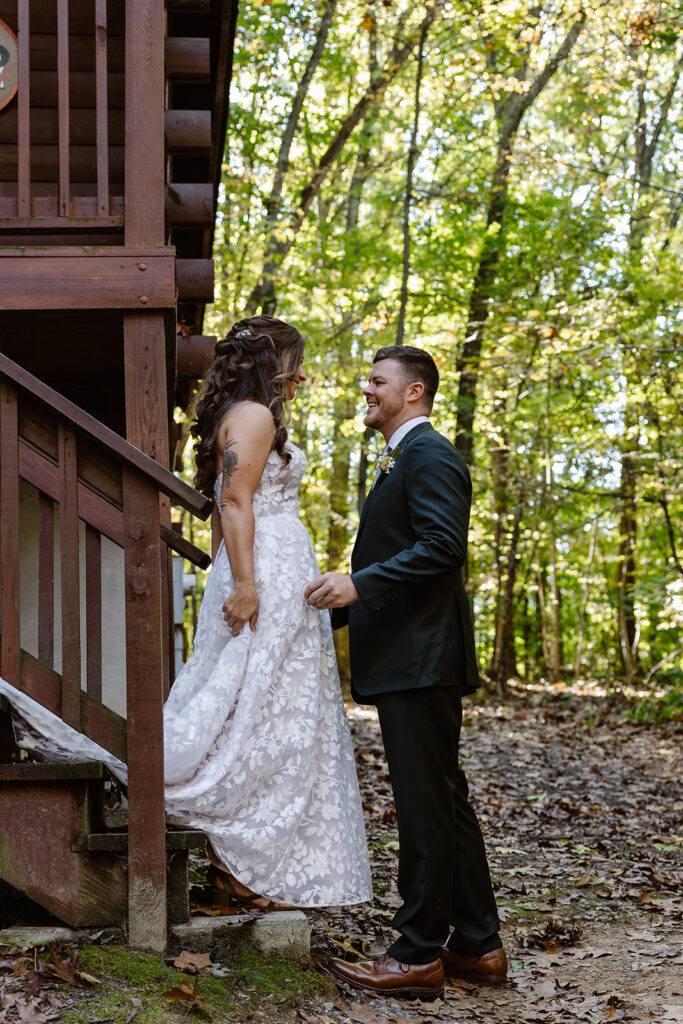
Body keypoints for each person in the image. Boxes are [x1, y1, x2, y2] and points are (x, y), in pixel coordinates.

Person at [0, 315, 372, 913]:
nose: (300, 374)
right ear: (271, 362)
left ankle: (240, 871)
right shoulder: (254, 415)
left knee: (264, 717)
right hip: (264, 571)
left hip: (271, 564)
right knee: (253, 717)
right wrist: (247, 584)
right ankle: (241, 862)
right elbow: (232, 499)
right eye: (294, 361)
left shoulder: (250, 413)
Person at [305, 345, 506, 998]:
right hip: (411, 656)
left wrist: (357, 585)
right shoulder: (405, 458)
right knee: (444, 802)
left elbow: (443, 549)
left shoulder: (429, 455)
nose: (366, 390)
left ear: (412, 392)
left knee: (425, 809)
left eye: (377, 381)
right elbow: (408, 555)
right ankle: (477, 946)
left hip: (421, 660)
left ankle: (417, 953)